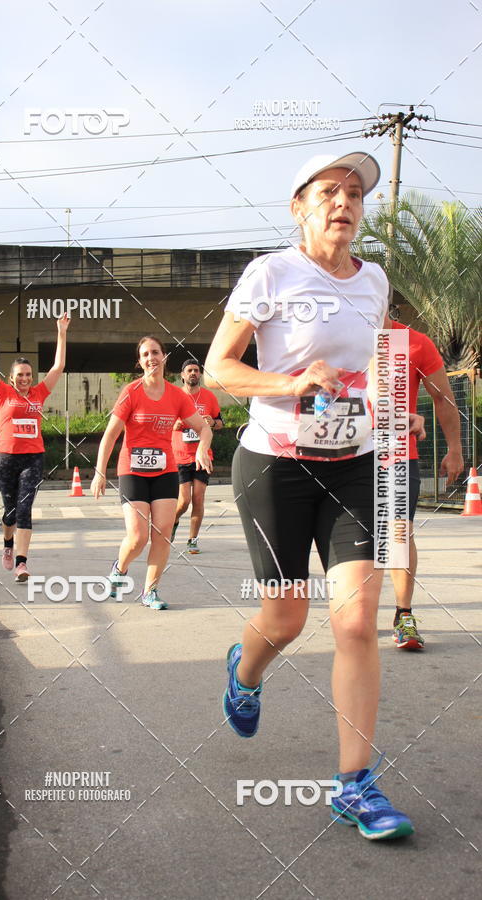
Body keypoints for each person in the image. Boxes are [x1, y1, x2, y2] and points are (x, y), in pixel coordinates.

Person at [205, 152, 425, 841]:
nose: (344, 202)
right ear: (298, 206)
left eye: (354, 193)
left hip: (354, 464)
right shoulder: (269, 273)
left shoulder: (375, 281)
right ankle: (245, 673)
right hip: (275, 464)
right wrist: (289, 383)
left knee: (356, 621)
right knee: (289, 617)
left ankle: (354, 787)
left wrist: (395, 411)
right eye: (328, 191)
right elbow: (220, 369)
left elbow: (367, 371)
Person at [90, 336, 212, 610]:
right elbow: (110, 435)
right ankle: (119, 569)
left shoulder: (177, 396)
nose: (151, 358)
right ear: (140, 361)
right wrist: (100, 472)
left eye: (155, 352)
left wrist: (202, 449)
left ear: (164, 357)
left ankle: (150, 591)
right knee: (138, 537)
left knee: (163, 533)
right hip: (132, 471)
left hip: (165, 471)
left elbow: (204, 427)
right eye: (145, 354)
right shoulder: (131, 392)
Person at [0, 307, 70, 582]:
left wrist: (61, 333)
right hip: (5, 459)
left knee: (25, 509)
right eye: (20, 375)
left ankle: (22, 564)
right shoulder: (2, 393)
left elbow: (58, 367)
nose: (25, 379)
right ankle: (7, 545)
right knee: (10, 512)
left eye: (28, 374)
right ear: (12, 378)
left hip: (33, 458)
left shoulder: (39, 393)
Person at [388, 314, 464, 649]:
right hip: (347, 454)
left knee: (399, 532)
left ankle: (403, 614)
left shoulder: (415, 342)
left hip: (399, 455)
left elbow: (442, 397)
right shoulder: (337, 335)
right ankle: (351, 611)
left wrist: (455, 449)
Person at [171, 359, 223, 553]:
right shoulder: (174, 396)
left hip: (203, 456)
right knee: (183, 501)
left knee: (198, 499)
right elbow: (164, 422)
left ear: (199, 374)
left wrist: (212, 422)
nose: (193, 373)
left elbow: (220, 423)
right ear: (182, 375)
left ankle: (193, 539)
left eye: (196, 370)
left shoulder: (209, 397)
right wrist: (174, 425)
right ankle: (174, 521)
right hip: (180, 456)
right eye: (189, 370)